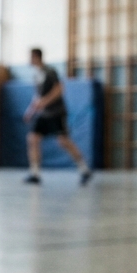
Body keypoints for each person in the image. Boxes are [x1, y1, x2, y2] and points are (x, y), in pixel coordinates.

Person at [24, 48, 91, 185]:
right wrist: (30, 111)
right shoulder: (36, 75)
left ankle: (84, 169)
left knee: (63, 141)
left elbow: (59, 89)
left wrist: (45, 102)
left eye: (30, 57)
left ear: (36, 57)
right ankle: (35, 173)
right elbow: (38, 96)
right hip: (43, 114)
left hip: (56, 113)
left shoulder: (50, 71)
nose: (29, 60)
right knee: (33, 138)